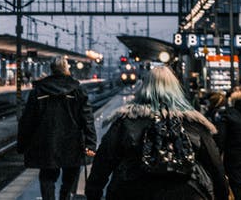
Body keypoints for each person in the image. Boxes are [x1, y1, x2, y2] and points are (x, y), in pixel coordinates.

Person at [85, 66, 228, 200]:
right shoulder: (195, 124)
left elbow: (103, 163)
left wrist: (93, 193)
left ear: (144, 88)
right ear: (177, 89)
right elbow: (215, 166)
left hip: (131, 192)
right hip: (187, 193)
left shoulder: (126, 122)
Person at [17, 56, 97, 200]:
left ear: (52, 70)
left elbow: (27, 120)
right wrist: (91, 143)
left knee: (47, 178)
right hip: (72, 143)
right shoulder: (77, 90)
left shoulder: (38, 90)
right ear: (66, 69)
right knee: (69, 178)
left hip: (47, 143)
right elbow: (87, 119)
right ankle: (64, 197)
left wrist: (22, 144)